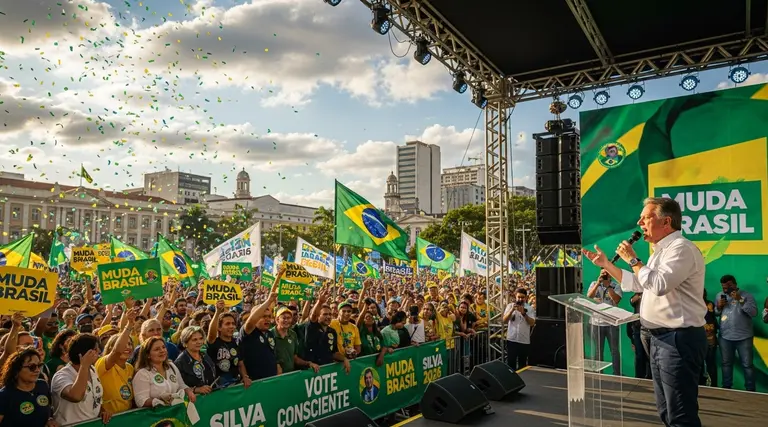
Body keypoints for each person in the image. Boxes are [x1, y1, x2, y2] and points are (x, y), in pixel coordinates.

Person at [582, 197, 707, 427]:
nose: (639, 222)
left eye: (645, 217)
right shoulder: (660, 251)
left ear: (666, 221)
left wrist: (633, 259)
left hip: (677, 339)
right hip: (658, 339)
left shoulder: (681, 249)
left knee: (681, 414)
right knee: (666, 411)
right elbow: (640, 283)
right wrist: (607, 265)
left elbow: (659, 284)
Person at [50, 334, 108, 425]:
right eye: (95, 349)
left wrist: (102, 410)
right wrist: (84, 366)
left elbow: (95, 398)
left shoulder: (92, 370)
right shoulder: (61, 376)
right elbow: (76, 396)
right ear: (84, 352)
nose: (99, 352)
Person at [714, 274, 757, 391]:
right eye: (724, 287)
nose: (726, 289)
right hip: (725, 336)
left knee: (747, 365)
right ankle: (727, 388)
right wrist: (718, 307)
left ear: (735, 284)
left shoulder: (746, 295)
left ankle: (750, 390)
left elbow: (753, 313)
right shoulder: (719, 295)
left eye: (729, 286)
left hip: (744, 337)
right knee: (726, 363)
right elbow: (716, 313)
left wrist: (740, 300)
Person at [0, 348, 57, 427]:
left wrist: (50, 420)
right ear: (17, 369)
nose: (37, 370)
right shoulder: (4, 395)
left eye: (39, 365)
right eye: (32, 367)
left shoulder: (42, 385)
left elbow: (49, 410)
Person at [133, 336, 194, 408]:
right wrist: (159, 401)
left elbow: (181, 385)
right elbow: (141, 401)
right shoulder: (142, 374)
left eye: (163, 347)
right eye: (157, 349)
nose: (162, 350)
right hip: (156, 417)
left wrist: (188, 391)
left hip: (175, 413)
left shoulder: (171, 366)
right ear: (148, 355)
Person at [586, 269, 623, 376]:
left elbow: (616, 300)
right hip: (596, 323)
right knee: (598, 351)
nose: (605, 276)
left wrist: (608, 286)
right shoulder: (594, 284)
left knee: (614, 351)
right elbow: (589, 297)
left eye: (607, 274)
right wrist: (598, 283)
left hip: (611, 323)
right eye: (603, 274)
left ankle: (617, 374)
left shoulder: (616, 286)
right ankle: (599, 374)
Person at [174, 327, 216, 394]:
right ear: (185, 343)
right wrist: (196, 389)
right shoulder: (180, 362)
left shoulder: (205, 356)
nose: (199, 342)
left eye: (201, 339)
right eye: (194, 340)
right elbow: (177, 387)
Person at [503, 288, 535, 371]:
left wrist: (523, 313)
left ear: (526, 298)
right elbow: (504, 320)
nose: (520, 299)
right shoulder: (510, 306)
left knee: (522, 365)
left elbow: (532, 323)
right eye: (519, 297)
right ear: (515, 297)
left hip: (523, 341)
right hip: (512, 339)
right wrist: (512, 310)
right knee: (510, 363)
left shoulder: (530, 308)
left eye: (522, 297)